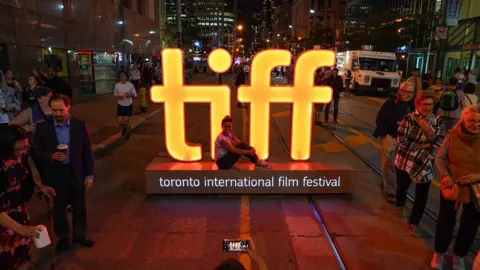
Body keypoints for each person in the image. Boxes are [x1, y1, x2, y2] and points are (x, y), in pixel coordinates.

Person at [32, 94, 95, 252]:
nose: (58, 114)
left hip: (76, 172)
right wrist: (51, 156)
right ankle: (63, 238)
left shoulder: (79, 126)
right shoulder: (43, 127)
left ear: (68, 107)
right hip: (55, 173)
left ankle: (80, 235)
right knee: (58, 208)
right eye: (54, 110)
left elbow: (87, 151)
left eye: (61, 110)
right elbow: (35, 151)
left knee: (79, 206)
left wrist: (89, 175)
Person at [431, 104, 480, 270]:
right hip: (452, 186)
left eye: (479, 121)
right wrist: (445, 175)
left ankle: (459, 255)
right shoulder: (452, 136)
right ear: (463, 121)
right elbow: (440, 158)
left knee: (470, 226)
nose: (476, 124)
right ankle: (439, 253)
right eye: (471, 121)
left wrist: (478, 177)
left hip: (476, 191)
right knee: (445, 222)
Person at [0, 125, 55, 269]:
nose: (23, 152)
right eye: (18, 149)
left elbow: (24, 176)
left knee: (18, 253)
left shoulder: (21, 156)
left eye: (25, 147)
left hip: (17, 210)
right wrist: (21, 229)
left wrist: (40, 187)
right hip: (3, 218)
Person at [395, 91, 445, 235]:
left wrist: (422, 143)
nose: (427, 107)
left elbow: (439, 143)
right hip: (405, 159)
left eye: (430, 104)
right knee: (402, 187)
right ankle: (400, 206)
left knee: (422, 195)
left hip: (425, 161)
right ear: (418, 104)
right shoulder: (408, 118)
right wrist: (424, 145)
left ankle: (414, 221)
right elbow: (402, 140)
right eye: (424, 104)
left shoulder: (438, 121)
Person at [373, 82, 415, 203]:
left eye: (410, 92)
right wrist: (385, 134)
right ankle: (390, 190)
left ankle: (388, 183)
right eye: (405, 91)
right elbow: (379, 119)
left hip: (405, 140)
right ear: (399, 91)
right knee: (389, 164)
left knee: (400, 166)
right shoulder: (390, 103)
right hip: (391, 137)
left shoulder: (411, 105)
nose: (408, 95)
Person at [114, 71, 137, 138]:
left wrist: (130, 95)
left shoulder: (130, 85)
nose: (122, 77)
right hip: (120, 105)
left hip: (128, 105)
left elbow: (135, 95)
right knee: (119, 121)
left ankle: (128, 132)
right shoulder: (117, 85)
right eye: (120, 75)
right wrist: (119, 97)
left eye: (123, 75)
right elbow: (115, 95)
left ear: (126, 77)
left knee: (126, 119)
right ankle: (125, 128)